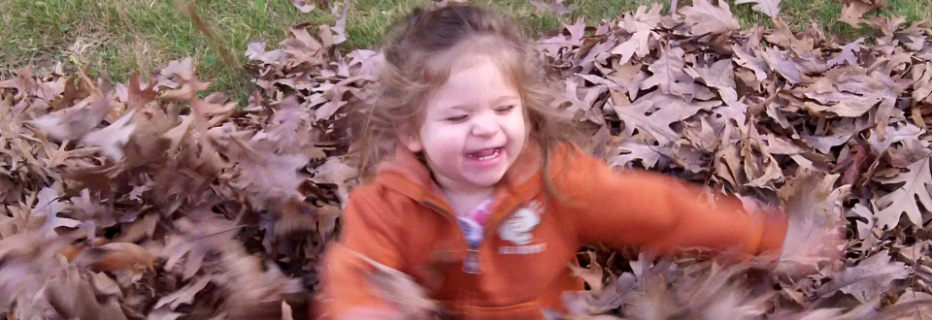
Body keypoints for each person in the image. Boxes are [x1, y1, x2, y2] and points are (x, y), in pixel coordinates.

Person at [316, 4, 838, 319]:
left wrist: (767, 237)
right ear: (411, 132)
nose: (485, 127)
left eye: (503, 108)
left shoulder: (558, 183)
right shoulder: (385, 205)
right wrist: (368, 309)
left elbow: (660, 210)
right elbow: (356, 271)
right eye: (457, 118)